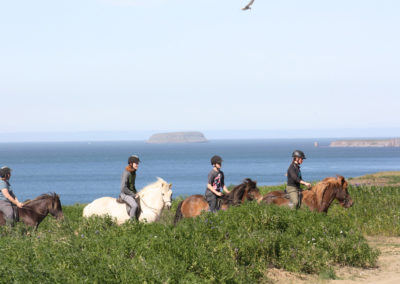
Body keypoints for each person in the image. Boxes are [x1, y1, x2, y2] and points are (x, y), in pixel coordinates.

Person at [120, 155, 140, 220]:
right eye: (136, 163)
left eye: (138, 163)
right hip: (125, 194)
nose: (137, 164)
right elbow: (123, 188)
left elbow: (132, 186)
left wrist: (137, 193)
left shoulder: (134, 173)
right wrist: (133, 195)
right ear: (131, 163)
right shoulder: (126, 173)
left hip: (131, 194)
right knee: (135, 206)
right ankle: (132, 223)